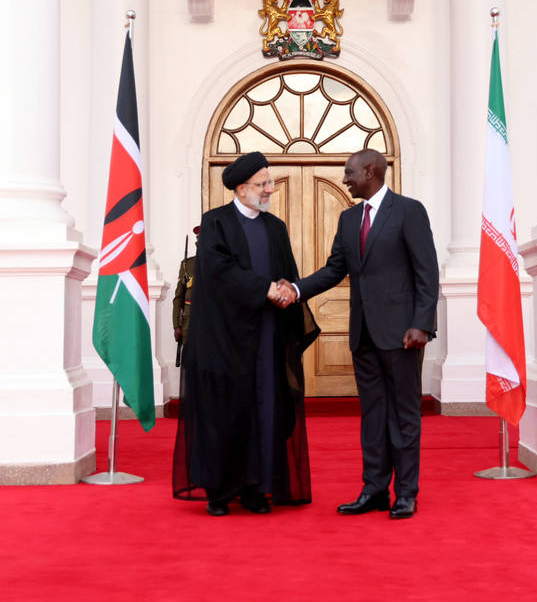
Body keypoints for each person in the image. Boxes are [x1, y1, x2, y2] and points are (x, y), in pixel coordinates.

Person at [279, 148, 438, 519]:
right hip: (363, 334)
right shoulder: (349, 218)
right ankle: (374, 490)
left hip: (402, 334)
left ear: (371, 172)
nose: (345, 179)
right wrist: (297, 289)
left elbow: (426, 272)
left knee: (404, 416)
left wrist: (422, 324)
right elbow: (335, 269)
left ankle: (406, 494)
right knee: (373, 415)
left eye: (349, 172)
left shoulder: (409, 211)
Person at [172, 151, 317, 516]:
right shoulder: (215, 223)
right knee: (226, 412)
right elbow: (219, 273)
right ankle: (220, 492)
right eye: (262, 184)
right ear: (241, 188)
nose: (269, 189)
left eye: (270, 182)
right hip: (223, 340)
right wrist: (264, 288)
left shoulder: (275, 227)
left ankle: (256, 489)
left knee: (266, 409)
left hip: (266, 337)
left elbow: (287, 271)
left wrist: (286, 288)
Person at [171, 226, 200, 368]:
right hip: (189, 323)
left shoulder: (220, 264)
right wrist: (177, 325)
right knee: (189, 367)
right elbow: (178, 298)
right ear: (197, 243)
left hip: (213, 323)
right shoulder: (187, 265)